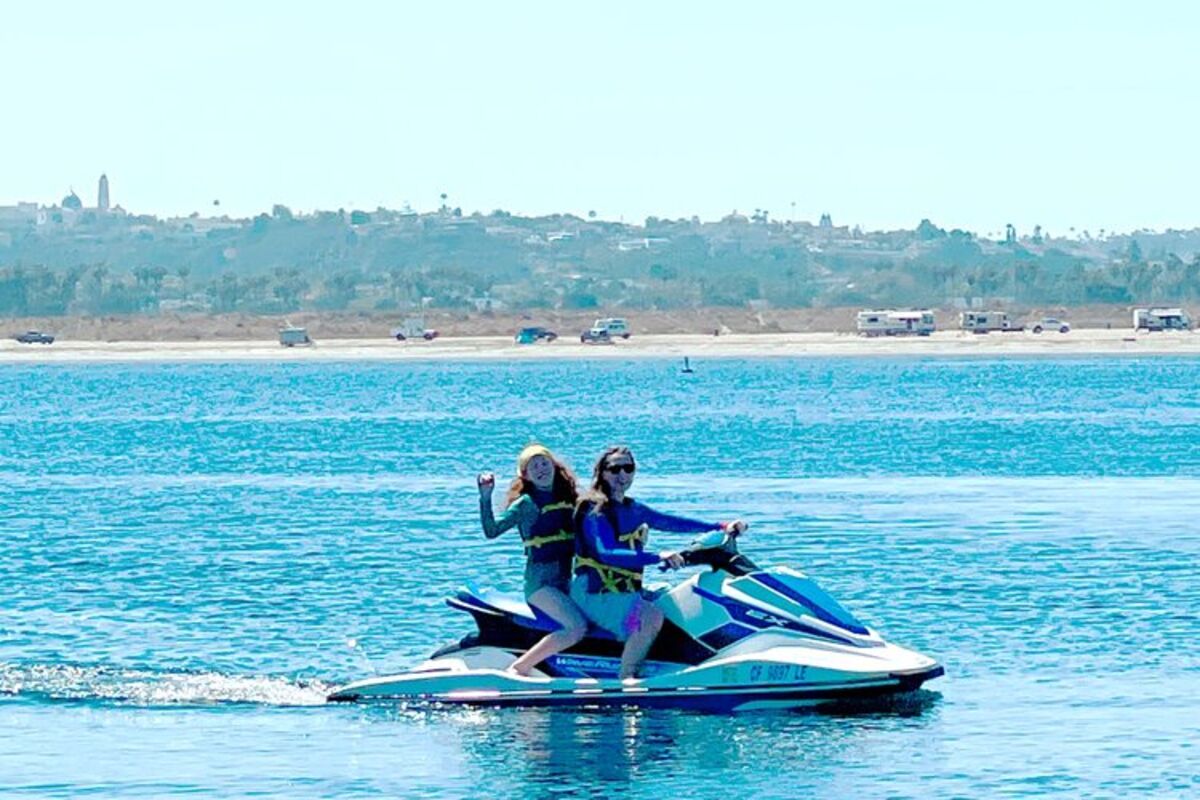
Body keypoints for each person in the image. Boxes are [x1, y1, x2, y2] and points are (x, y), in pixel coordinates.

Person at [572, 446, 746, 679]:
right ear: (602, 473)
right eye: (614, 469)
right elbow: (607, 553)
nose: (622, 475)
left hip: (626, 589)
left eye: (628, 468)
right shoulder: (593, 509)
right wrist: (658, 556)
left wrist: (720, 527)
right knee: (651, 616)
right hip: (596, 592)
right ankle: (628, 676)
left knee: (676, 597)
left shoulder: (632, 508)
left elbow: (670, 522)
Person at [478, 444, 588, 676]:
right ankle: (519, 668)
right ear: (525, 475)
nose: (540, 468)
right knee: (576, 628)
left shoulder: (569, 498)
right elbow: (492, 530)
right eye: (533, 466)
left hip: (565, 581)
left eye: (544, 463)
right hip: (540, 586)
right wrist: (485, 497)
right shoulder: (526, 504)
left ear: (554, 467)